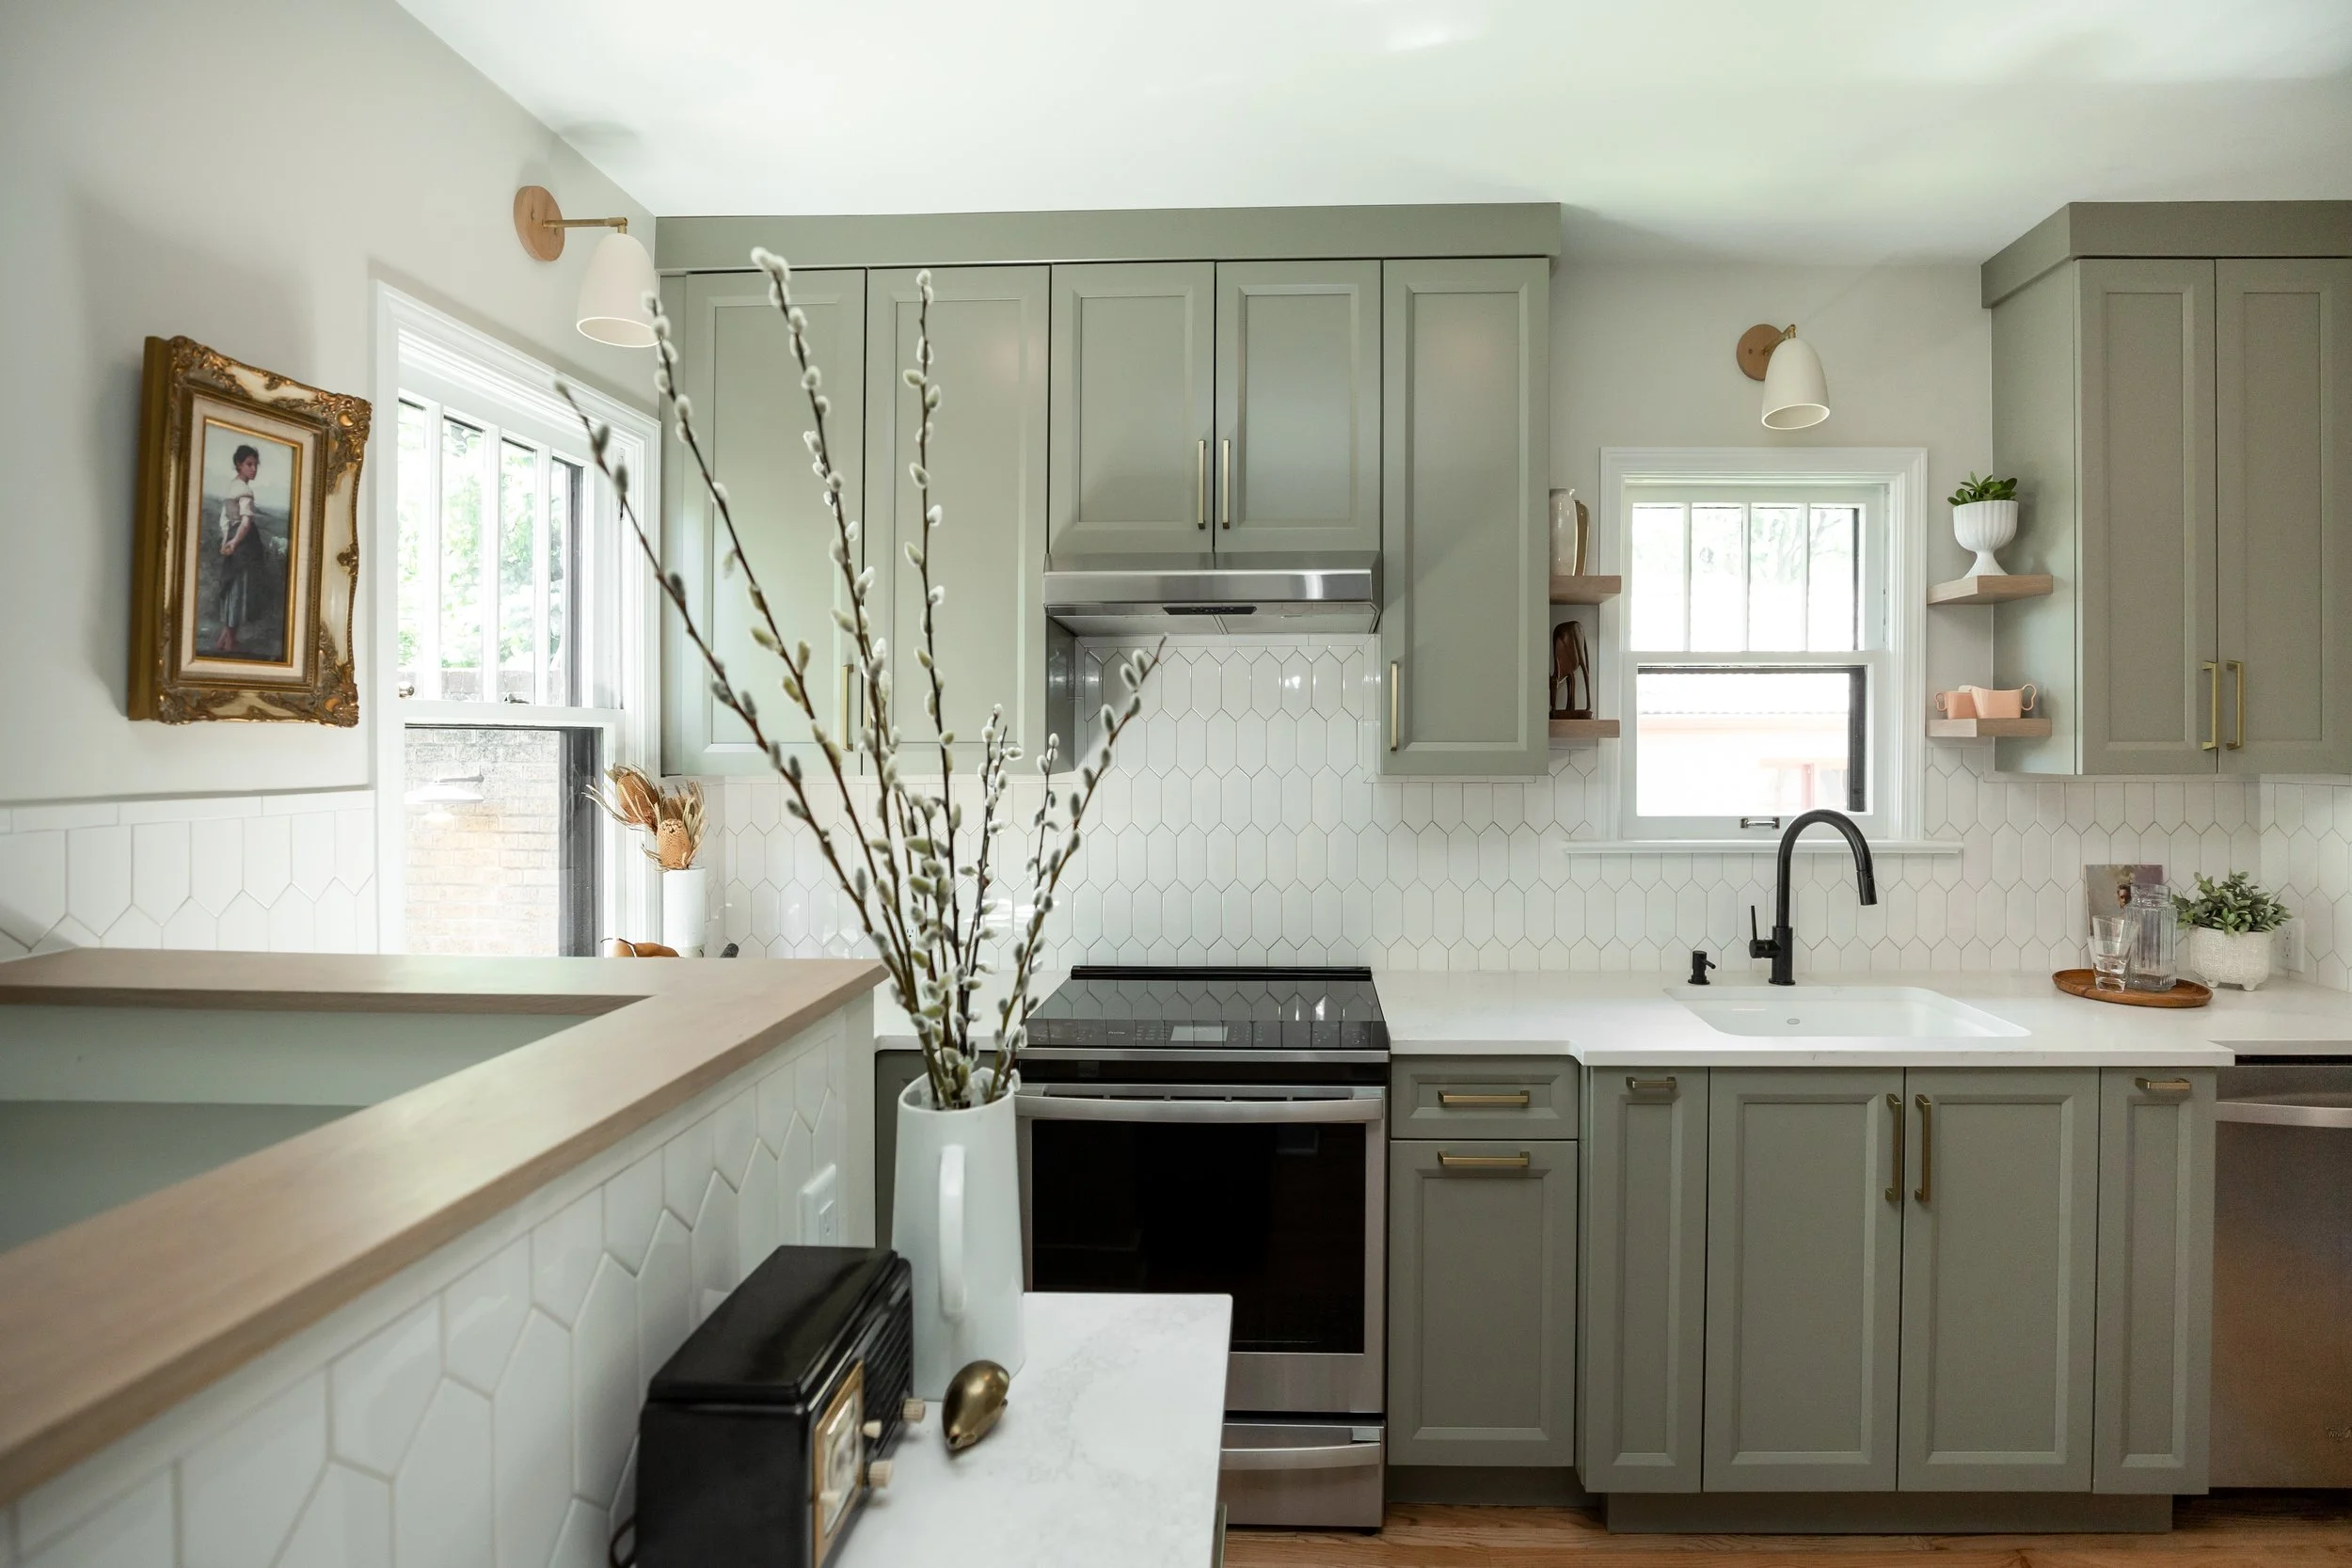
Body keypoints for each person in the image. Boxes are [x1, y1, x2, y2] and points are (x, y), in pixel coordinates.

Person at [214, 444, 266, 654]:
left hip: (234, 539)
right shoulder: (245, 490)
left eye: (256, 465)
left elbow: (224, 520)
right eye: (249, 464)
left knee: (232, 586)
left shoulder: (232, 486)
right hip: (244, 542)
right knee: (238, 589)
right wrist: (234, 543)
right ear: (239, 464)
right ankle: (230, 641)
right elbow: (245, 524)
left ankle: (223, 639)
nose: (253, 469)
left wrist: (226, 540)